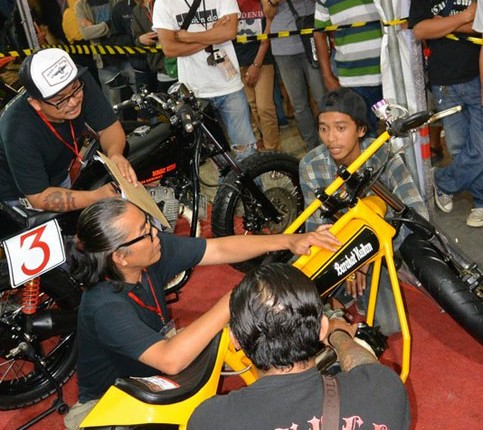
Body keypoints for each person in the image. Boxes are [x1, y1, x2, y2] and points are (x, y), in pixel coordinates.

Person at [64, 197, 341, 429]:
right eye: (145, 231)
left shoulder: (149, 252)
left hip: (154, 370)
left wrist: (289, 241)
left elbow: (218, 248)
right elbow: (170, 360)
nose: (156, 232)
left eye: (149, 223)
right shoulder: (105, 306)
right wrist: (232, 299)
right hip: (111, 405)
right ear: (120, 256)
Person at [188, 263, 410, 429]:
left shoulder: (210, 420)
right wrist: (339, 335)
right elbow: (368, 367)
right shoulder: (385, 389)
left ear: (235, 340)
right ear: (322, 328)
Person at [299, 88, 429, 335]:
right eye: (323, 129)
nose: (330, 138)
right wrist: (350, 261)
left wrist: (366, 258)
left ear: (360, 130)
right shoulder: (311, 164)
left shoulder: (384, 155)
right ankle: (339, 300)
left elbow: (417, 213)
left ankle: (345, 297)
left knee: (389, 326)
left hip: (380, 252)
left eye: (340, 128)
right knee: (297, 302)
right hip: (336, 251)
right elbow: (315, 228)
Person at [0, 48, 136, 212]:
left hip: (60, 171)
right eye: (60, 100)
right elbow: (39, 197)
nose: (73, 102)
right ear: (36, 103)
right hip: (18, 193)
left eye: (75, 90)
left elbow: (108, 127)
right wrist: (97, 196)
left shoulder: (76, 81)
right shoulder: (17, 131)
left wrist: (115, 155)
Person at [152, 0, 258, 161]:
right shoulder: (164, 3)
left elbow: (230, 32)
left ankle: (251, 179)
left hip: (229, 87)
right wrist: (213, 34)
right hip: (194, 92)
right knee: (220, 158)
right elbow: (170, 48)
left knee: (247, 153)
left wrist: (188, 37)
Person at [409, 1, 483, 228]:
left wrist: (443, 24)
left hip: (478, 76)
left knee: (480, 147)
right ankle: (480, 202)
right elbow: (420, 30)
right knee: (458, 147)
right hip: (444, 82)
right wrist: (466, 17)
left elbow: (480, 25)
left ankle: (442, 181)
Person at [262, 0, 326, 151]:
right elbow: (268, 13)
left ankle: (330, 140)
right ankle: (312, 147)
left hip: (311, 37)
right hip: (283, 46)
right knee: (298, 104)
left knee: (322, 97)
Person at [314, 0, 383, 137]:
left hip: (390, 73)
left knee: (400, 127)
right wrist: (327, 75)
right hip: (353, 79)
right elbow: (319, 34)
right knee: (364, 135)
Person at [235, 0, 280, 151]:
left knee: (264, 108)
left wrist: (257, 63)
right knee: (253, 107)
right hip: (238, 59)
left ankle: (273, 150)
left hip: (262, 58)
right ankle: (264, 144)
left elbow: (269, 21)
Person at [75, 0, 137, 106]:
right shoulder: (81, 5)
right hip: (104, 61)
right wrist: (109, 25)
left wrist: (96, 27)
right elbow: (86, 33)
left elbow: (125, 23)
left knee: (142, 95)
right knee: (113, 105)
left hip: (126, 55)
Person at [130, 0, 176, 93]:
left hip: (181, 61)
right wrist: (140, 40)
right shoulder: (137, 10)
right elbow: (136, 37)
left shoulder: (168, 3)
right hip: (161, 68)